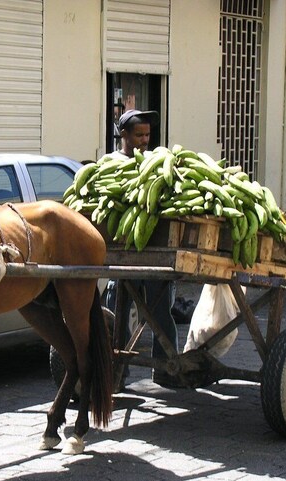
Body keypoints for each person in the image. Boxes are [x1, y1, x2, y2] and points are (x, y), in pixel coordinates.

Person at [103, 109, 181, 388]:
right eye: (139, 135)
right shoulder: (110, 163)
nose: (145, 140)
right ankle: (116, 371)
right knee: (117, 310)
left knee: (160, 311)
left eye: (148, 135)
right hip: (124, 250)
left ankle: (167, 367)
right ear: (123, 135)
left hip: (154, 248)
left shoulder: (156, 162)